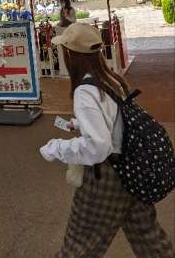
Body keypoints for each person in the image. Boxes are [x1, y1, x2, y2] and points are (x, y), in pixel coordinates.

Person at [40, 22, 174, 257]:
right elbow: (116, 120)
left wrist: (57, 148)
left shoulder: (85, 91)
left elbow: (98, 147)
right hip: (132, 169)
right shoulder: (110, 79)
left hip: (107, 178)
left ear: (71, 55)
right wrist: (80, 124)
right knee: (150, 242)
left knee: (79, 247)